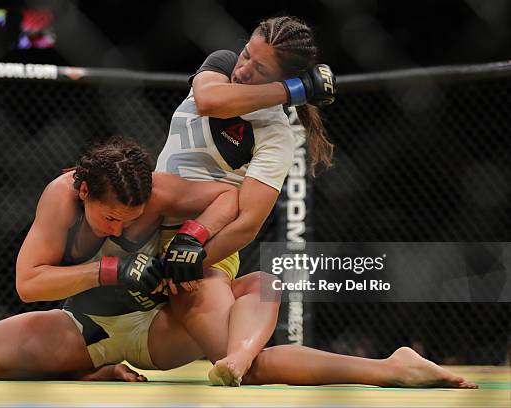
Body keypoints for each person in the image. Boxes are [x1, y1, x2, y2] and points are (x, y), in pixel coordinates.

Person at [152, 15, 477, 388]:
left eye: (259, 69)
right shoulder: (222, 65)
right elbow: (209, 101)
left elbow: (246, 223)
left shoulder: (276, 134)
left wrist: (183, 264)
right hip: (150, 220)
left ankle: (392, 369)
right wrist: (293, 90)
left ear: (280, 78)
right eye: (246, 55)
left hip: (204, 246)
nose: (243, 70)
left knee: (245, 366)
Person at [0, 137, 240, 381]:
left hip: (157, 326)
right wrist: (110, 270)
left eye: (130, 221)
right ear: (85, 191)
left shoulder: (159, 191)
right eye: (110, 218)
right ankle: (91, 371)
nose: (117, 230)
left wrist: (191, 236)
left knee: (258, 289)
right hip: (87, 328)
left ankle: (250, 354)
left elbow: (229, 196)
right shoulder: (62, 197)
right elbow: (28, 284)